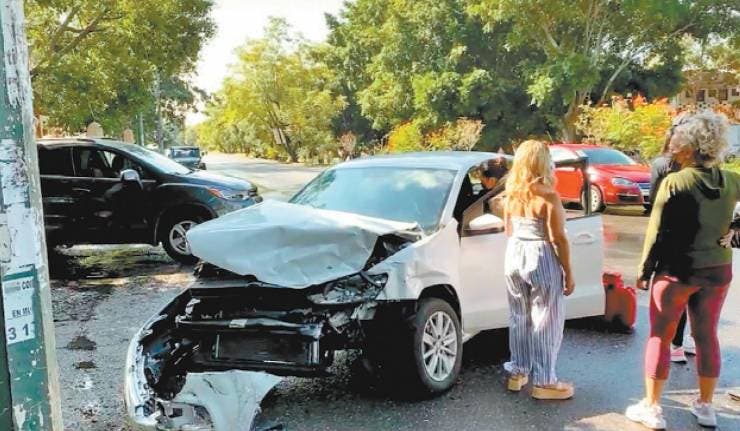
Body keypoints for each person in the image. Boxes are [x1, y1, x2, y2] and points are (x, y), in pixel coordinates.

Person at [627, 111, 736, 429]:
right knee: (707, 336)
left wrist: (644, 270)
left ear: (690, 146)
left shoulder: (675, 181)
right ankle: (706, 407)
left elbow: (656, 231)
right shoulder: (732, 180)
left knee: (659, 337)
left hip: (677, 272)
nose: (673, 146)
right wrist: (735, 229)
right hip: (718, 270)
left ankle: (652, 408)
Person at [503, 140, 575, 400]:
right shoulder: (548, 196)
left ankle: (518, 371)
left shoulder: (512, 193)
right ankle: (545, 381)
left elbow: (508, 229)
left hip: (514, 254)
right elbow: (558, 238)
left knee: (519, 316)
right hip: (540, 254)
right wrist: (568, 271)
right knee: (546, 319)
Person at [647, 118, 695, 364]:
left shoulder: (660, 165)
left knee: (669, 293)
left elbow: (654, 200)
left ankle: (671, 343)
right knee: (691, 291)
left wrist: (644, 268)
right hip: (695, 235)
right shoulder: (697, 168)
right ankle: (681, 341)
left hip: (667, 235)